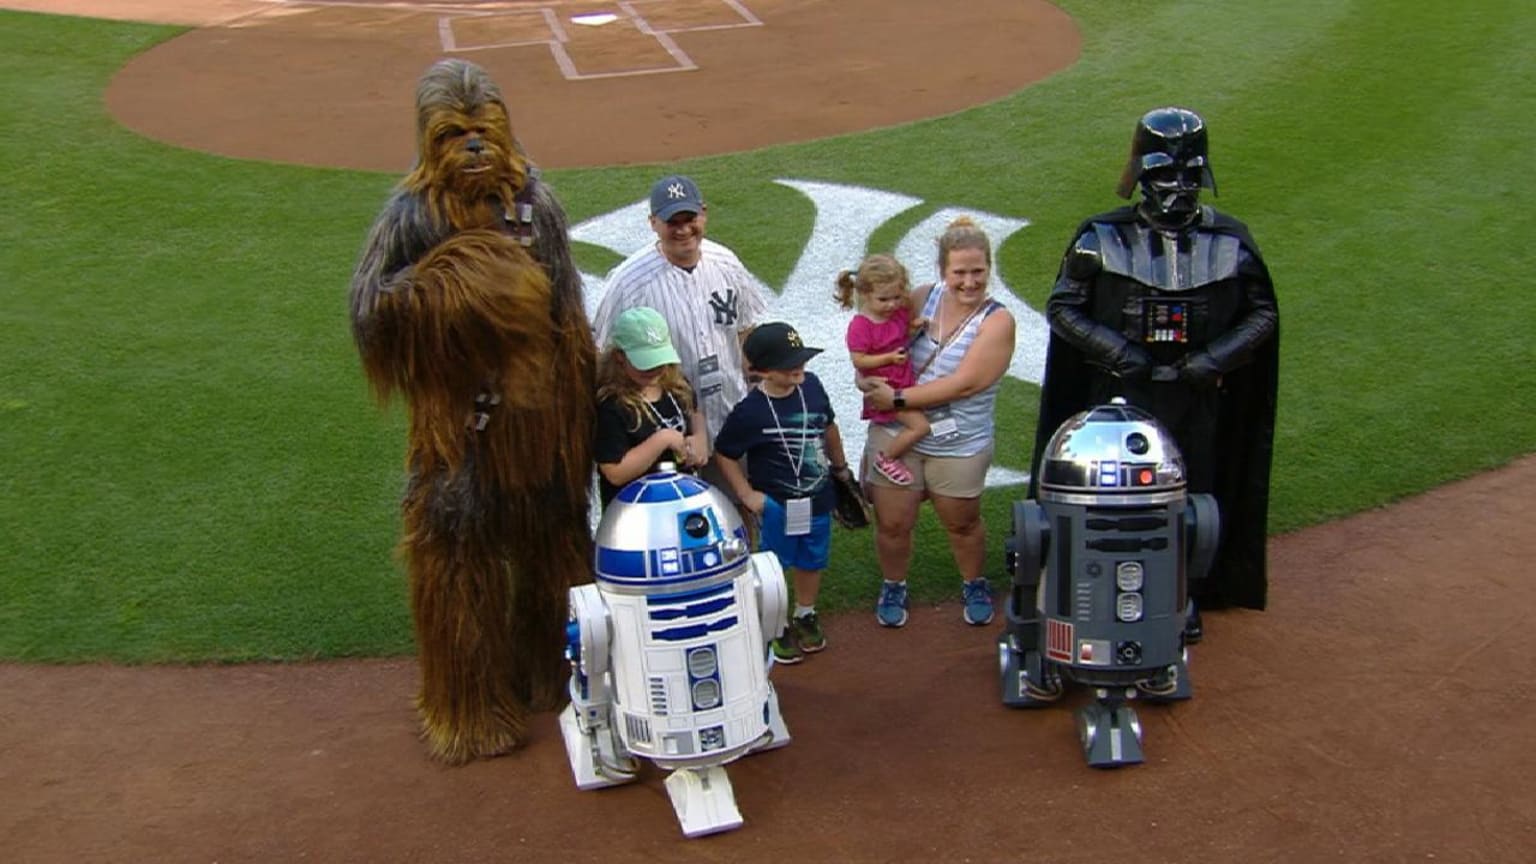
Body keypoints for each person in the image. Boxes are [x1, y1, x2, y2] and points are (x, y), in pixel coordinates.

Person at [1031, 106, 1280, 639]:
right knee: (1109, 493)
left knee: (1192, 497)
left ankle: (1181, 593)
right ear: (1143, 175)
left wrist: (1212, 361)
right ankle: (1094, 585)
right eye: (1167, 175)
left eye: (1191, 176)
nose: (1179, 188)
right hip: (1117, 395)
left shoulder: (1230, 242)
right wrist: (1120, 352)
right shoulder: (1099, 239)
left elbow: (1263, 315)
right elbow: (1064, 308)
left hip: (1197, 398)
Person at [859, 217, 1017, 629]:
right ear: (943, 271)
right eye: (959, 272)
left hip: (958, 440)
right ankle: (893, 584)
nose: (969, 282)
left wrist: (894, 397)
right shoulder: (922, 297)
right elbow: (880, 335)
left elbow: (966, 384)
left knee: (962, 523)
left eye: (977, 271)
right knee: (892, 523)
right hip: (898, 434)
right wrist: (864, 372)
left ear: (989, 269)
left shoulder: (998, 321)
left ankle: (974, 582)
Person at [713, 322, 852, 665]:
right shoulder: (750, 411)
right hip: (776, 506)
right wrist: (746, 494)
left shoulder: (814, 387)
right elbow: (725, 452)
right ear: (761, 370)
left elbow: (829, 427)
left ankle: (805, 612)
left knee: (812, 558)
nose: (798, 367)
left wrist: (841, 468)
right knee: (773, 567)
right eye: (787, 363)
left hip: (818, 499)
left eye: (800, 359)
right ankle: (774, 623)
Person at [593, 306, 708, 509]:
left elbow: (695, 411)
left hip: (682, 502)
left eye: (658, 360)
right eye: (643, 364)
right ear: (619, 356)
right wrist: (664, 439)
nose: (653, 370)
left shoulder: (677, 385)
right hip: (635, 512)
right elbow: (615, 473)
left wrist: (699, 437)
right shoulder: (610, 404)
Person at [835, 254, 930, 487]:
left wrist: (913, 327)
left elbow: (900, 332)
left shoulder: (898, 313)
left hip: (902, 383)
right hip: (885, 390)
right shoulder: (860, 326)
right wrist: (888, 357)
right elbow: (859, 360)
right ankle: (886, 459)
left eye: (897, 297)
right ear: (865, 294)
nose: (891, 305)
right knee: (921, 427)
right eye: (883, 299)